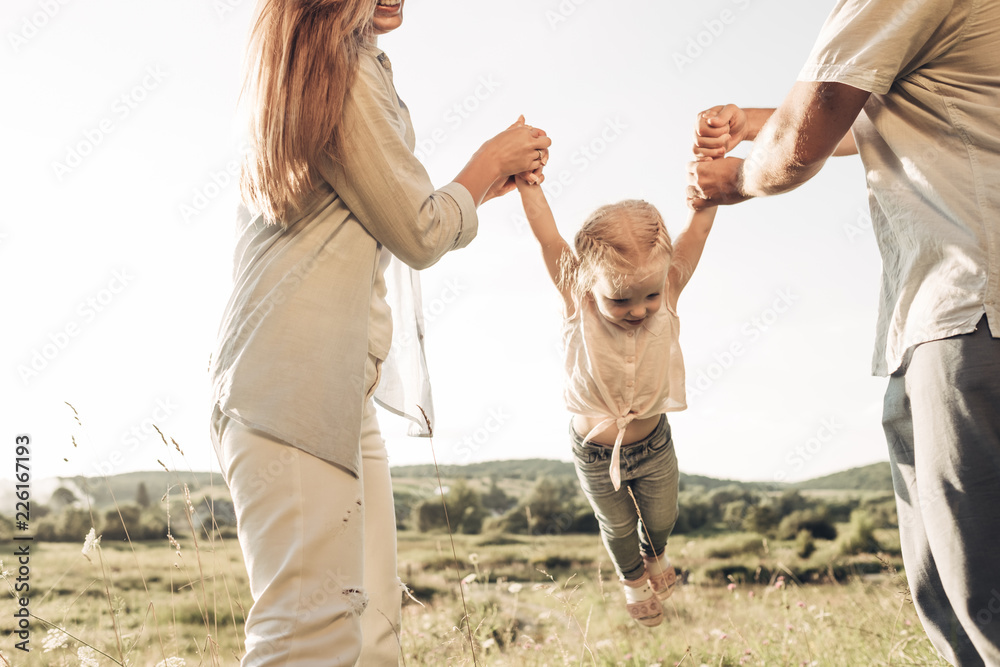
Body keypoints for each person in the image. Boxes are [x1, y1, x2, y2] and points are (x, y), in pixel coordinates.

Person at [207, 0, 551, 664]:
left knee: (371, 633)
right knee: (310, 638)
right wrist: (485, 164)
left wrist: (473, 189)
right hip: (295, 390)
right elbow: (418, 229)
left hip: (327, 391)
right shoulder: (341, 70)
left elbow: (403, 210)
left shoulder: (321, 68)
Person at [687, 1, 1000, 663]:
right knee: (952, 600)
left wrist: (739, 178)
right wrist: (753, 122)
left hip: (970, 313)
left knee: (983, 609)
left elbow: (815, 120)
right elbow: (900, 107)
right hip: (946, 316)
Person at [515, 174, 717, 626]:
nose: (640, 310)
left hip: (654, 442)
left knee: (663, 515)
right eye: (621, 299)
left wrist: (709, 194)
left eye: (649, 295)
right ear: (589, 282)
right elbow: (548, 235)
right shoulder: (576, 296)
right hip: (594, 452)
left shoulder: (668, 289)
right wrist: (529, 186)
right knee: (618, 526)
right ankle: (632, 580)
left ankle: (656, 552)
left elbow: (696, 231)